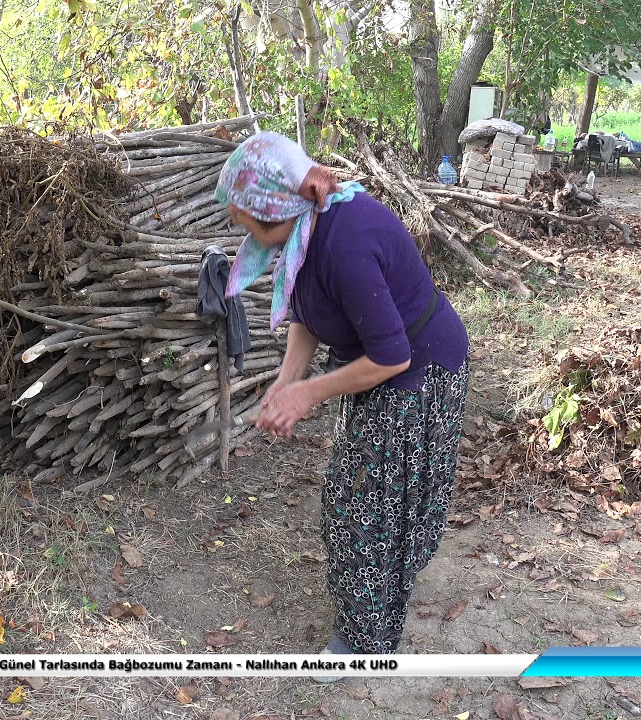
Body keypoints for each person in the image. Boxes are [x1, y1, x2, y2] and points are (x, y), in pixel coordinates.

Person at [214, 132, 471, 673]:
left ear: (277, 206)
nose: (245, 234)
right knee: (360, 498)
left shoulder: (343, 239)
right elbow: (308, 314)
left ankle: (366, 643)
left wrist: (309, 393)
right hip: (381, 363)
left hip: (420, 368)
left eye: (247, 222)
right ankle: (374, 602)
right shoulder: (302, 232)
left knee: (364, 507)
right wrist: (287, 382)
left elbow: (392, 356)